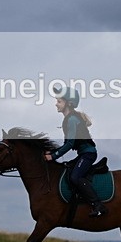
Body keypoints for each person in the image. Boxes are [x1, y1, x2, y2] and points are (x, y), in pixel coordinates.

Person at [43, 86, 108, 217]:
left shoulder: (72, 119)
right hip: (83, 154)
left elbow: (69, 144)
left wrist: (53, 156)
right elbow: (67, 144)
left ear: (68, 103)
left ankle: (98, 205)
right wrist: (52, 152)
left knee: (75, 177)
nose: (56, 104)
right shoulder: (69, 119)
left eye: (59, 101)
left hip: (88, 154)